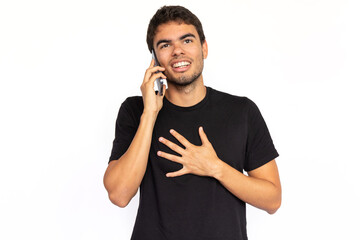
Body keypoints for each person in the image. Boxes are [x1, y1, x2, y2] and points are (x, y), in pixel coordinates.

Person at [103, 5, 281, 240]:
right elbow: (119, 194)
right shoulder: (136, 110)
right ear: (155, 59)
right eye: (165, 45)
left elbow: (272, 200)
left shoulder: (241, 111)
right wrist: (150, 113)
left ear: (204, 48)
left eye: (187, 41)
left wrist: (215, 167)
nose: (177, 51)